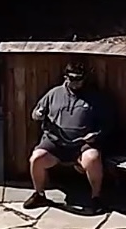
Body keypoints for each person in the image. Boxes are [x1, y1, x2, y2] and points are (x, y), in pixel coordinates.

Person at [23, 62, 111, 213]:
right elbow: (36, 113)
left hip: (82, 143)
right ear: (66, 78)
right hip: (54, 142)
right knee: (36, 158)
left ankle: (96, 197)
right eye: (73, 79)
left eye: (79, 79)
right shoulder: (53, 94)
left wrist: (96, 135)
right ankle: (39, 194)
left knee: (93, 158)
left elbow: (108, 123)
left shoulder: (95, 98)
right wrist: (37, 114)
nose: (76, 83)